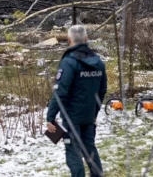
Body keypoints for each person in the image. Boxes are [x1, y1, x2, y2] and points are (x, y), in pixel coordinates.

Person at [46, 25, 107, 177]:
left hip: (71, 116)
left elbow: (61, 92)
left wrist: (50, 116)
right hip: (88, 115)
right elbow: (102, 91)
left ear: (68, 40)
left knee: (73, 150)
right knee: (90, 148)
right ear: (86, 40)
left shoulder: (69, 62)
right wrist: (94, 112)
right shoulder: (99, 63)